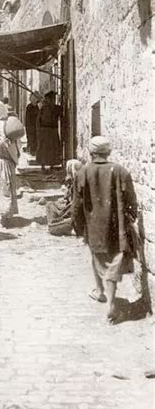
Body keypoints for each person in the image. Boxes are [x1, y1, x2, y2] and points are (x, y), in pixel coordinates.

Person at [72, 136, 138, 324]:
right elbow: (132, 201)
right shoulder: (120, 171)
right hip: (117, 226)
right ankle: (103, 293)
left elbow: (76, 205)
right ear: (108, 152)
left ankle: (109, 301)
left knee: (98, 257)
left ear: (91, 153)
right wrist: (132, 217)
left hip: (93, 226)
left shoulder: (83, 172)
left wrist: (77, 226)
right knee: (115, 258)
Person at [0, 104, 19, 226]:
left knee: (1, 188)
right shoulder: (4, 125)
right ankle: (6, 214)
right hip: (5, 161)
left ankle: (4, 214)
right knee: (5, 187)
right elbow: (13, 145)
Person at [47, 159, 82, 231]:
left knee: (50, 206)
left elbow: (73, 202)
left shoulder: (75, 183)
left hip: (71, 210)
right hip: (70, 207)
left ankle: (55, 223)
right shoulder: (74, 180)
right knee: (51, 205)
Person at [36, 90, 62, 171]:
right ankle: (43, 165)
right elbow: (38, 120)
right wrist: (39, 132)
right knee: (44, 149)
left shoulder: (55, 108)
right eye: (51, 99)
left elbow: (60, 111)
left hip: (52, 131)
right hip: (44, 131)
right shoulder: (43, 108)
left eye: (53, 99)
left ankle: (52, 165)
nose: (52, 100)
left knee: (53, 148)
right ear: (47, 99)